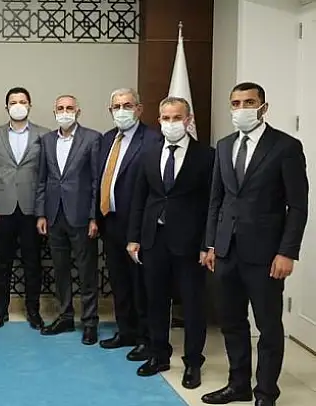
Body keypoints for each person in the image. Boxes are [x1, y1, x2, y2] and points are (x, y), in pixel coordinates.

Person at [201, 82, 308, 406]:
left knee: (268, 326)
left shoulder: (285, 146)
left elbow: (297, 205)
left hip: (266, 254)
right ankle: (238, 385)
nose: (241, 108)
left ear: (263, 107)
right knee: (231, 322)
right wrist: (210, 244)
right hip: (226, 251)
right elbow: (216, 200)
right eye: (236, 103)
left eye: (249, 102)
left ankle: (266, 393)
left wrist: (287, 252)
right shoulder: (224, 146)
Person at [126, 97, 213, 389]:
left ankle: (193, 362)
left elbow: (212, 204)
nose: (171, 123)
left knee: (193, 304)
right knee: (155, 301)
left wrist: (207, 244)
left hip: (190, 243)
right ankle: (159, 354)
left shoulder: (206, 156)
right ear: (159, 120)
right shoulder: (149, 152)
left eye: (177, 117)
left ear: (188, 120)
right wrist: (133, 237)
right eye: (166, 118)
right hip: (154, 239)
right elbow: (139, 198)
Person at [97, 88, 161, 360]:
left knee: (141, 284)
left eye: (127, 105)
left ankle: (146, 338)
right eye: (116, 106)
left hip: (138, 225)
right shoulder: (107, 139)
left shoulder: (153, 140)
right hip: (110, 221)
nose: (121, 111)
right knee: (119, 281)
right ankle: (125, 331)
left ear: (139, 109)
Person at [34, 95, 101, 344]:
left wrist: (94, 217)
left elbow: (96, 182)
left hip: (81, 216)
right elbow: (42, 180)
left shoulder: (92, 139)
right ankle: (65, 316)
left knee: (86, 271)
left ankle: (90, 322)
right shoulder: (47, 140)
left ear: (78, 112)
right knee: (60, 269)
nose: (65, 112)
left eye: (69, 108)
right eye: (60, 108)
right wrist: (41, 213)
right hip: (54, 215)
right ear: (54, 112)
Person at [0, 87, 49, 329]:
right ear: (7, 107)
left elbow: (46, 176)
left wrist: (43, 211)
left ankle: (33, 311)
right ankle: (0, 311)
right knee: (3, 264)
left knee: (32, 264)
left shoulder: (44, 135)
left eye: (23, 101)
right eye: (13, 102)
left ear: (30, 105)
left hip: (32, 209)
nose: (18, 105)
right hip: (3, 208)